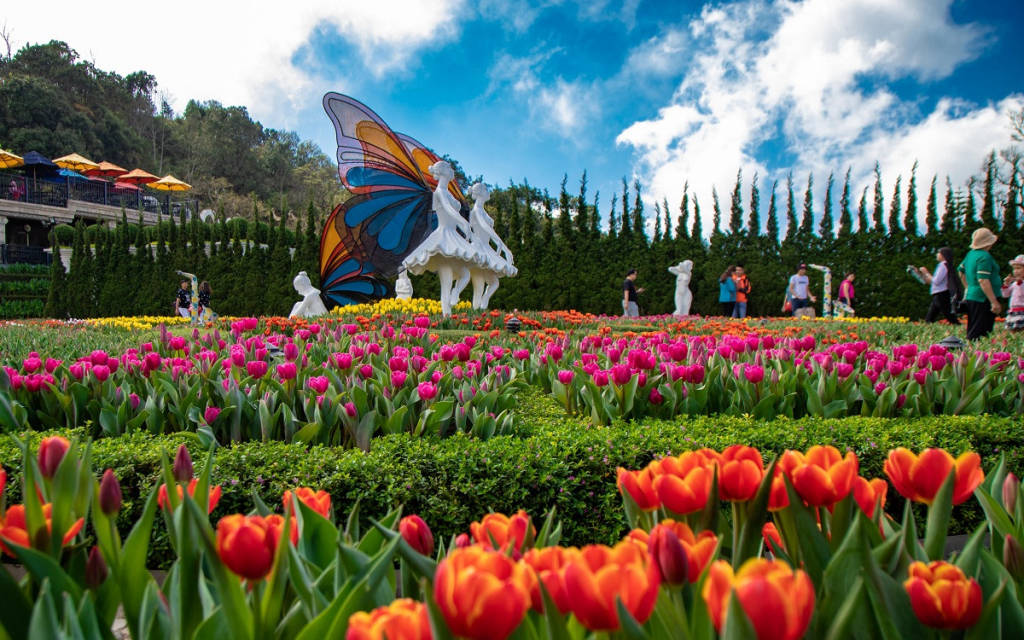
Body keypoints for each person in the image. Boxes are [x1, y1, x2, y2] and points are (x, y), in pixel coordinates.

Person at [957, 227, 1001, 340]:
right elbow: (983, 280)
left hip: (972, 295)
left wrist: (968, 287)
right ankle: (975, 349)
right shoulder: (985, 257)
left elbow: (961, 271)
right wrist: (994, 302)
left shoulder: (971, 254)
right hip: (983, 298)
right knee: (981, 331)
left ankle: (971, 348)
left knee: (973, 326)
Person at [916, 247, 962, 324]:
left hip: (941, 294)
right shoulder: (943, 265)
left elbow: (936, 281)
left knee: (948, 315)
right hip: (939, 294)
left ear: (943, 255)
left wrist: (926, 272)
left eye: (938, 253)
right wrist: (920, 274)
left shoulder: (943, 265)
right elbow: (932, 282)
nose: (937, 255)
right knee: (932, 316)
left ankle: (959, 326)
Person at [1002, 255, 1024, 332]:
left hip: (1022, 311)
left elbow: (1021, 292)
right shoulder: (1014, 284)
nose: (1015, 271)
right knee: (1013, 331)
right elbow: (1005, 295)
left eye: (1018, 268)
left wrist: (1020, 282)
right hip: (1013, 311)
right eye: (1014, 269)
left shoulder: (1019, 283)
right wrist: (1006, 284)